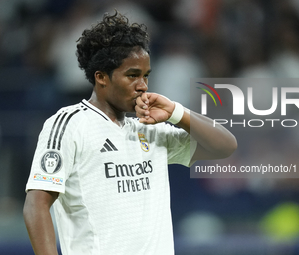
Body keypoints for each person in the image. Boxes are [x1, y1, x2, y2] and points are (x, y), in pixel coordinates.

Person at [23, 11, 237, 255]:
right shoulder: (69, 124)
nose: (143, 85)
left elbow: (225, 146)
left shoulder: (149, 130)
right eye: (132, 75)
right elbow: (36, 204)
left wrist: (176, 112)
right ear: (101, 77)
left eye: (146, 76)